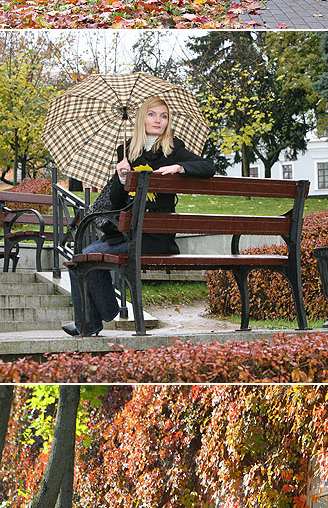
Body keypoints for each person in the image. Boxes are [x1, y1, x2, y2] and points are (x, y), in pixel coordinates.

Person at [62, 96, 216, 336]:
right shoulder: (126, 150)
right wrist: (122, 177)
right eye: (152, 114)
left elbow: (209, 167)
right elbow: (116, 202)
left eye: (163, 116)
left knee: (88, 258)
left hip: (155, 235)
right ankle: (95, 318)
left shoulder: (174, 148)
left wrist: (180, 168)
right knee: (79, 259)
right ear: (141, 118)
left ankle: (90, 323)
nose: (158, 120)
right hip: (128, 231)